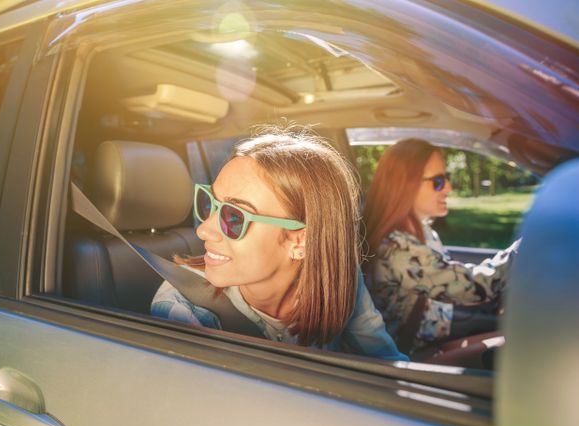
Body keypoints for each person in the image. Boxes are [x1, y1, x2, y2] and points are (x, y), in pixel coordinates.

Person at [151, 126, 407, 361]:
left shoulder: (339, 280)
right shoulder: (182, 305)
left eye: (233, 216)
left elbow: (385, 363)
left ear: (301, 240)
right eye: (210, 204)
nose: (204, 230)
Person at [362, 138, 520, 355]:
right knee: (519, 340)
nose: (448, 187)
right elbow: (476, 287)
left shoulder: (419, 234)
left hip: (434, 325)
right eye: (438, 181)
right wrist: (526, 247)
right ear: (406, 185)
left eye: (447, 178)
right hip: (413, 354)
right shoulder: (398, 248)